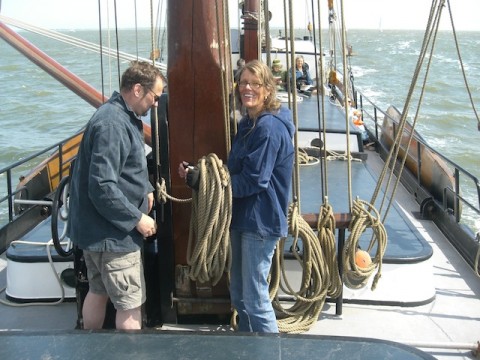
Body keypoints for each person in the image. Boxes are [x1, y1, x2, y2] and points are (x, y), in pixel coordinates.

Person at [178, 60, 295, 333]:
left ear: (267, 89)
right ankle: (247, 348)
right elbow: (232, 172)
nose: (247, 89)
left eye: (255, 84)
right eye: (243, 83)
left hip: (260, 223)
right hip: (243, 219)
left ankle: (268, 353)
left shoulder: (269, 128)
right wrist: (200, 173)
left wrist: (206, 183)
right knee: (240, 296)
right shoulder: (248, 124)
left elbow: (254, 181)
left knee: (255, 299)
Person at [68, 61, 165, 330]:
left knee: (97, 292)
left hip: (97, 235)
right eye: (154, 96)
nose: (156, 104)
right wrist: (137, 219)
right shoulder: (112, 124)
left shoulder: (121, 117)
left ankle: (91, 347)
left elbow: (127, 163)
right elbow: (101, 186)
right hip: (113, 238)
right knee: (129, 304)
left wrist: (145, 187)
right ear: (137, 89)